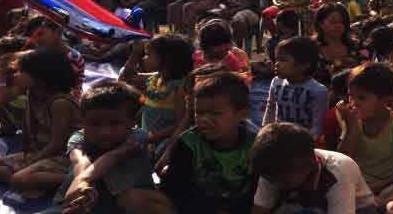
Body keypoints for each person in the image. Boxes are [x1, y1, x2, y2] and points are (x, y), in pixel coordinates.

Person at [54, 82, 171, 214]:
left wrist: (82, 179)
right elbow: (80, 161)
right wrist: (82, 187)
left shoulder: (137, 137)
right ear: (82, 121)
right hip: (95, 199)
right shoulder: (79, 139)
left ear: (133, 121)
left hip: (133, 198)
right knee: (80, 201)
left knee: (136, 200)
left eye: (115, 124)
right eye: (94, 124)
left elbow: (113, 156)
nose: (104, 132)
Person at [161, 71, 256, 213]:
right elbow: (177, 192)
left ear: (241, 115)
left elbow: (259, 193)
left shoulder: (254, 146)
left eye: (215, 113)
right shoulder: (187, 144)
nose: (204, 119)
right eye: (199, 112)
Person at [0, 49, 80, 196]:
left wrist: (30, 162)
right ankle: (36, 177)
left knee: (19, 180)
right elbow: (28, 127)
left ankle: (78, 179)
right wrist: (26, 153)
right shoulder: (32, 94)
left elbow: (58, 144)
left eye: (20, 71)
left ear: (39, 77)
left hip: (65, 157)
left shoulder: (60, 103)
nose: (15, 75)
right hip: (42, 151)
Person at [337, 63, 393, 201]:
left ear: (385, 100)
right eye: (350, 96)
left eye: (361, 98)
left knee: (390, 199)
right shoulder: (353, 121)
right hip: (362, 183)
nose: (353, 103)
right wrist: (351, 127)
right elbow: (343, 160)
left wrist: (381, 184)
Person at [251, 122, 376, 214]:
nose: (276, 185)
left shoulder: (338, 174)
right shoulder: (272, 168)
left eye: (284, 182)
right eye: (271, 180)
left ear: (310, 166)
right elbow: (260, 209)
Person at [119, 34, 193, 149]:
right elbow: (127, 77)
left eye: (148, 55)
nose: (144, 58)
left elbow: (180, 124)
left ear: (166, 59)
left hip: (163, 144)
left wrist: (150, 137)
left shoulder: (179, 88)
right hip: (147, 138)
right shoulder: (155, 79)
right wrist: (135, 53)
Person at [262, 37, 329, 135]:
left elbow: (317, 124)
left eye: (283, 60)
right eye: (277, 59)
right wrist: (264, 130)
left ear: (304, 65)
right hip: (278, 138)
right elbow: (271, 107)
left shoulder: (318, 91)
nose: (276, 64)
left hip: (303, 141)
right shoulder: (276, 82)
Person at [25, 16, 85, 89]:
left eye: (40, 34)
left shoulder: (73, 57)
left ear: (58, 31)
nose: (36, 39)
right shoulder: (37, 55)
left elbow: (71, 88)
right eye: (33, 36)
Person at [0, 36, 31, 137]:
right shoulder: (0, 73)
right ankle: (6, 126)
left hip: (36, 126)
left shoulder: (21, 77)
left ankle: (28, 133)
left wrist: (0, 70)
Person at [314, 3, 361, 72]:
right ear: (320, 23)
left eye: (342, 22)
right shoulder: (311, 48)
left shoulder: (358, 46)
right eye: (333, 22)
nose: (338, 26)